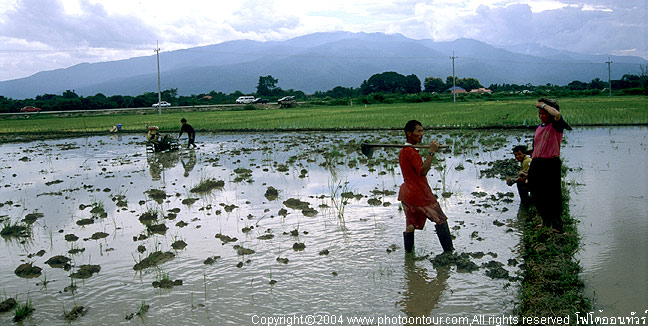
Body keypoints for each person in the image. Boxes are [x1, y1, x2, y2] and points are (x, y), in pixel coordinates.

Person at [398, 120, 453, 254]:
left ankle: (409, 259)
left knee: (410, 225)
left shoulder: (403, 152)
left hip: (406, 194)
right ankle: (450, 253)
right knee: (440, 220)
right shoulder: (411, 152)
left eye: (422, 131)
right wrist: (432, 152)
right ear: (409, 134)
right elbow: (423, 171)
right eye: (419, 131)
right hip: (420, 194)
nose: (422, 134)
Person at [526, 98, 572, 233]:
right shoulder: (539, 127)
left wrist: (543, 104)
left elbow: (557, 115)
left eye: (544, 113)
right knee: (536, 192)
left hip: (550, 163)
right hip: (537, 162)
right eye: (539, 113)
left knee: (552, 194)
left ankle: (557, 226)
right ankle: (545, 221)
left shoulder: (556, 125)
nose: (541, 116)